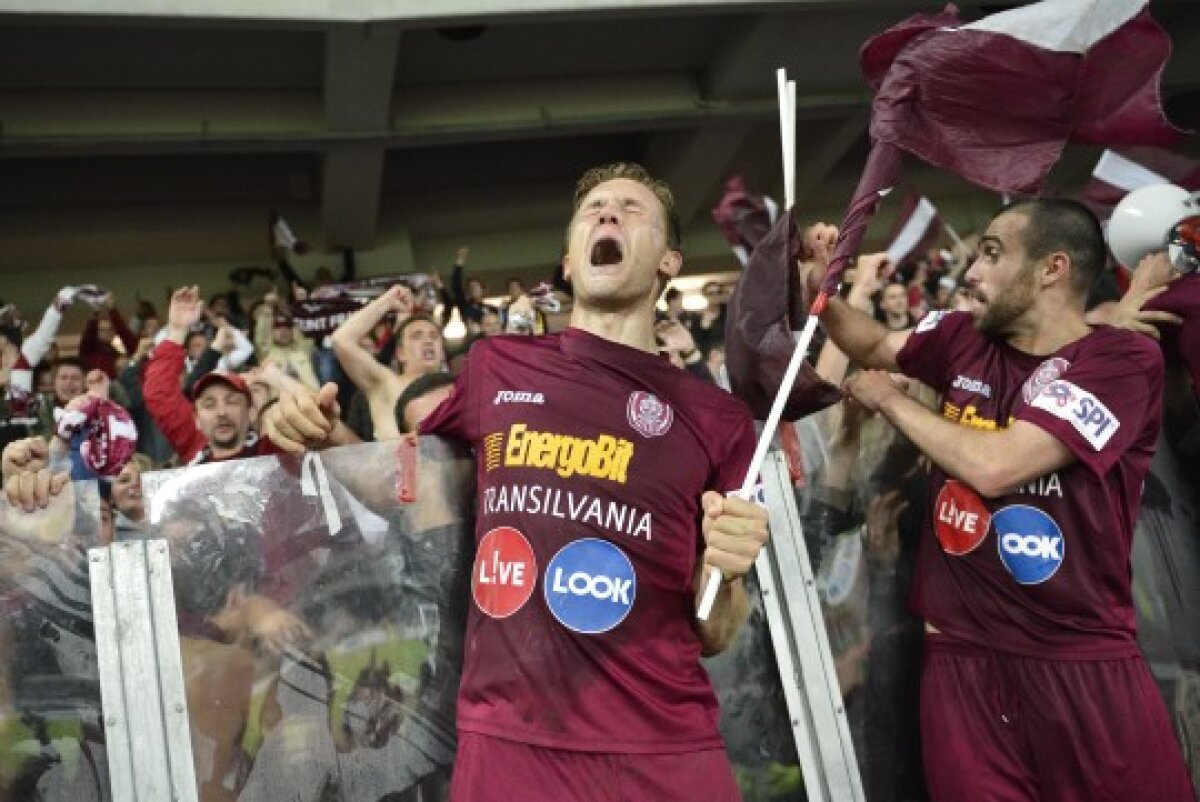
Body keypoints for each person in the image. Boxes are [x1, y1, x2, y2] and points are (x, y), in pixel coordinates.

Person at [263, 162, 770, 802]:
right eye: (594, 209)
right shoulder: (495, 366)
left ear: (669, 261)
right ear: (569, 262)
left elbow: (716, 632)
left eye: (631, 208)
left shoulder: (717, 419)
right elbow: (399, 475)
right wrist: (301, 423)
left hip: (664, 746)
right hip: (509, 744)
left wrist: (728, 570)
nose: (608, 213)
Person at [812, 198, 1195, 801]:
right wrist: (822, 291)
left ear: (1052, 268)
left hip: (1080, 664)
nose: (971, 272)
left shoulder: (1119, 361)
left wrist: (891, 401)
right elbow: (876, 344)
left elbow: (997, 466)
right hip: (960, 665)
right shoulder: (959, 339)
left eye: (992, 255)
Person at [142, 286, 280, 465]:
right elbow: (159, 392)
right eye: (209, 404)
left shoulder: (273, 451)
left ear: (250, 412)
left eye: (232, 401)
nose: (222, 412)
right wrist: (177, 330)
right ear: (196, 419)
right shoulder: (194, 444)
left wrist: (278, 379)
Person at [332, 288, 446, 442]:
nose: (428, 341)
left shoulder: (460, 387)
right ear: (400, 353)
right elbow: (342, 340)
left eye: (434, 336)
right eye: (417, 336)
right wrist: (387, 302)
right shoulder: (385, 384)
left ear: (442, 351)